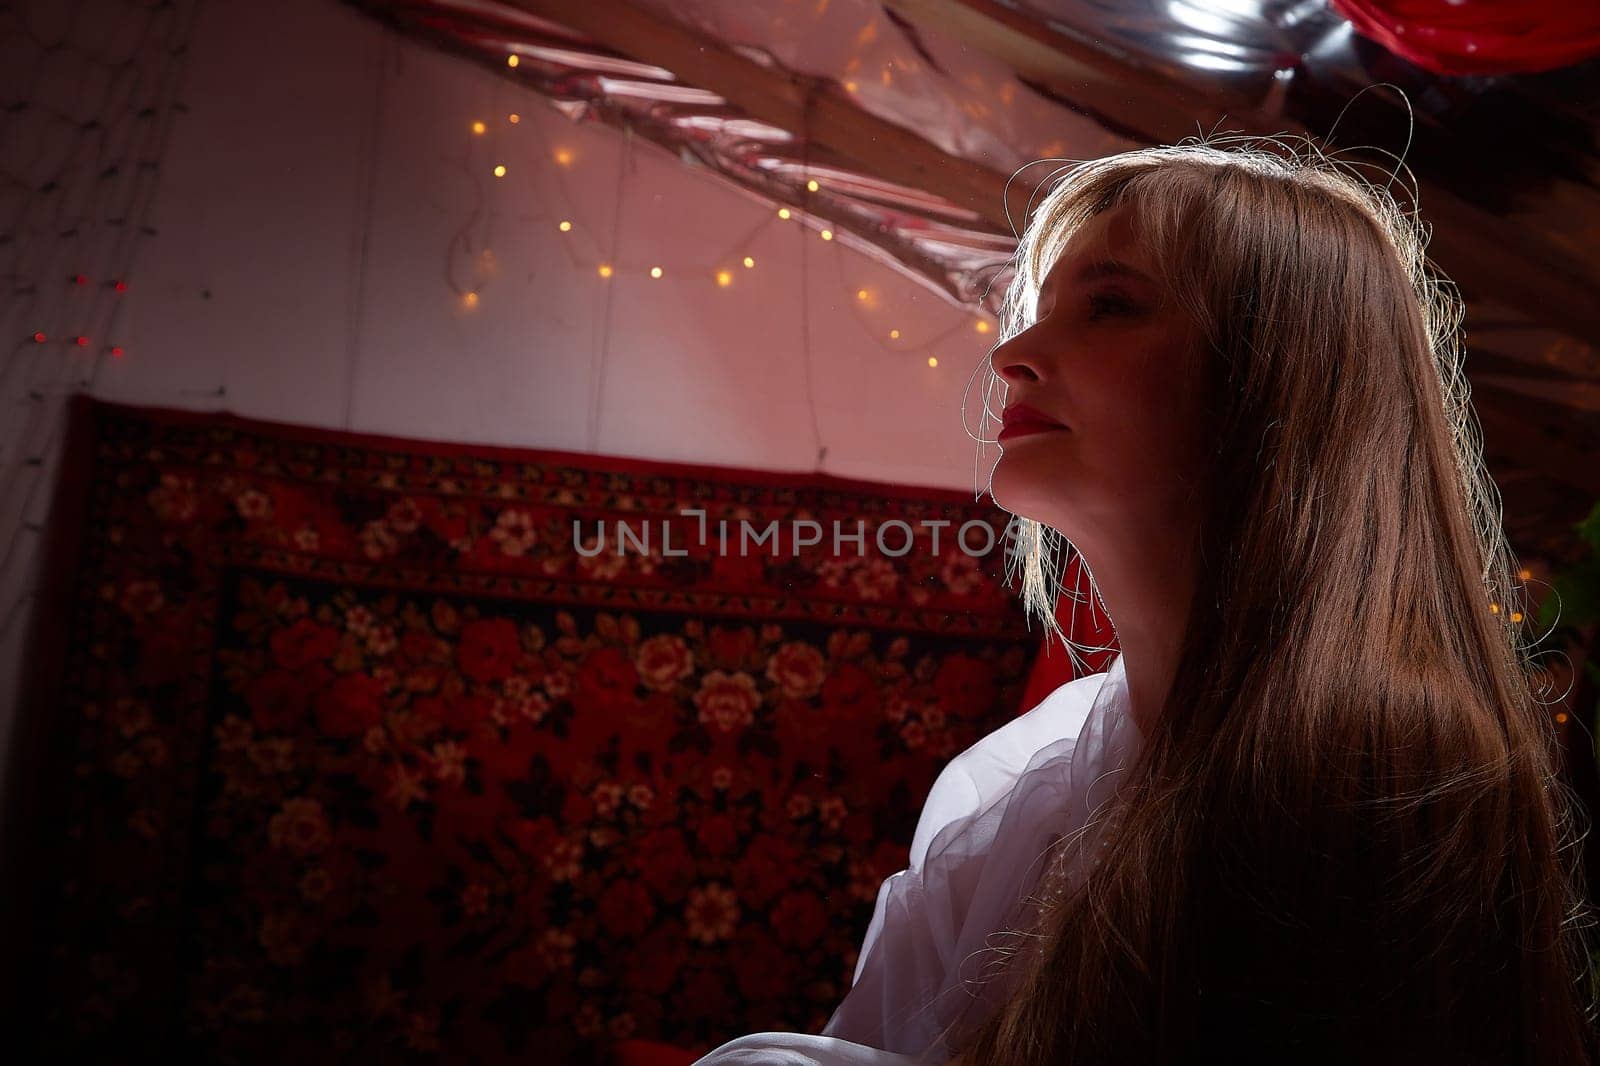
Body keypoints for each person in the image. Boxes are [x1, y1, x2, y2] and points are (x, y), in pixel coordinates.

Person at [693, 135, 1600, 1065]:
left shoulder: (1387, 769)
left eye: (1111, 307)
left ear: (1273, 376)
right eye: (1039, 311)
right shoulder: (1025, 784)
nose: (1013, 354)